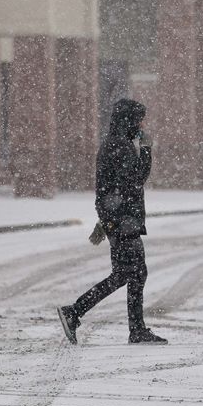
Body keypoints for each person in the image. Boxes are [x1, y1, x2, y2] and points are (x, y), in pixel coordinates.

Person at [58, 98, 167, 345]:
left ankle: (135, 329)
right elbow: (137, 178)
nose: (141, 125)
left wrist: (106, 220)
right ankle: (74, 312)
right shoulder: (119, 146)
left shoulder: (116, 143)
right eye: (139, 120)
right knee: (127, 274)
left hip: (120, 219)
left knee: (134, 273)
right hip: (123, 221)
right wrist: (147, 149)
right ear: (128, 120)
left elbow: (113, 187)